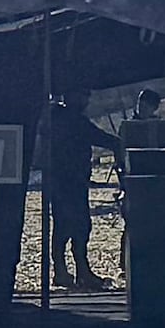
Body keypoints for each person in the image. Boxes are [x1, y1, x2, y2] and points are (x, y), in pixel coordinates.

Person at [38, 108, 107, 288]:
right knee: (71, 226)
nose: (87, 101)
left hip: (67, 180)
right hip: (69, 181)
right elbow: (98, 136)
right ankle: (70, 271)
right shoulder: (73, 120)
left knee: (71, 226)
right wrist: (120, 143)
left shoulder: (60, 118)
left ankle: (72, 270)